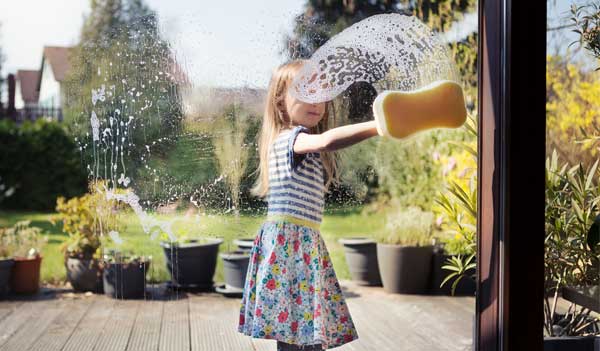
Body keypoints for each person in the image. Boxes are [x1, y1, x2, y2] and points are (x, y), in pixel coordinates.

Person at [237, 59, 379, 350]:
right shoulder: (290, 140)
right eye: (305, 93)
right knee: (295, 331)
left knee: (301, 329)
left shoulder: (295, 140)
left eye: (322, 94)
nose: (316, 100)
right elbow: (327, 141)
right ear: (280, 102)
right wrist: (377, 126)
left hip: (300, 242)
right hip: (290, 244)